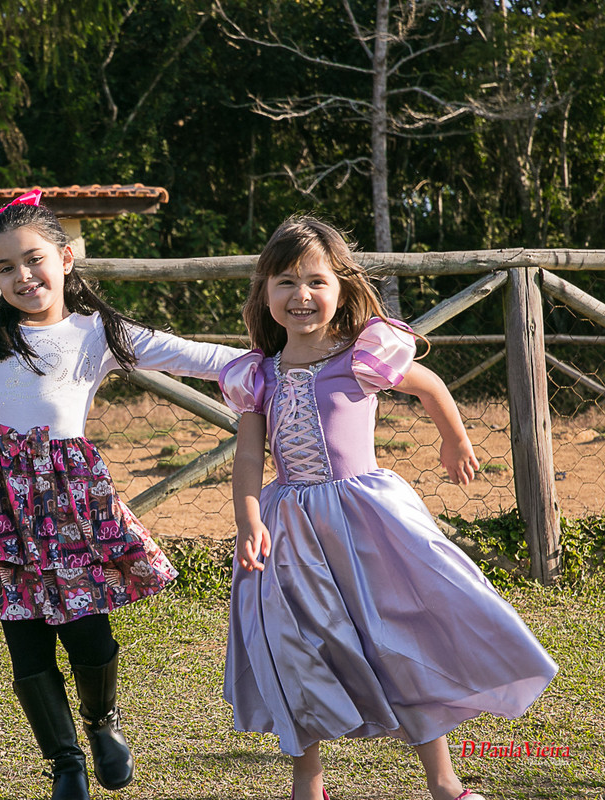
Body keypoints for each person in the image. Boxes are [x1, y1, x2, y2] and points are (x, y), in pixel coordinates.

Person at [219, 215, 558, 800]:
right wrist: (249, 515)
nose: (301, 296)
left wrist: (455, 439)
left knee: (401, 636)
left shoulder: (362, 356)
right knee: (295, 645)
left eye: (316, 281)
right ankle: (310, 782)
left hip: (367, 521)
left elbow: (428, 385)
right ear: (264, 291)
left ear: (342, 288)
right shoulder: (258, 376)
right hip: (289, 531)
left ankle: (444, 782)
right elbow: (249, 458)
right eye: (285, 282)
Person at [0, 189, 246, 800]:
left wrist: (279, 360)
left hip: (68, 499)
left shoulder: (94, 334)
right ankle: (64, 763)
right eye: (5, 268)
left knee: (88, 628)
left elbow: (186, 353)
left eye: (33, 260)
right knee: (24, 635)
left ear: (65, 259)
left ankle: (102, 725)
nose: (22, 276)